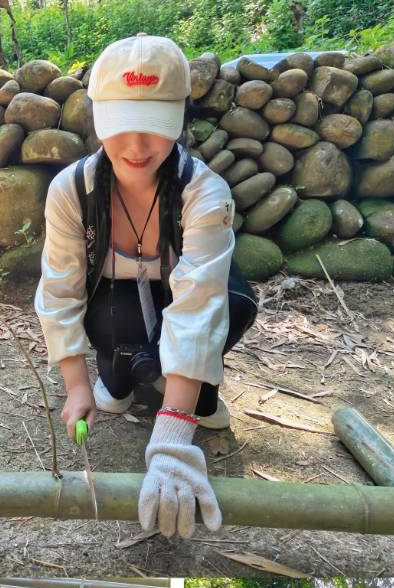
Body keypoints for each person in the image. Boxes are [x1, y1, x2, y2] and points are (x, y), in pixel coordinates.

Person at [35, 33, 258, 540]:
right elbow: (61, 289)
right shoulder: (71, 190)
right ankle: (115, 378)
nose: (136, 147)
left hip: (178, 296)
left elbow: (199, 306)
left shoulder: (204, 192)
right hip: (113, 300)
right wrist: (74, 386)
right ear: (96, 117)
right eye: (122, 126)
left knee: (237, 303)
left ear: (180, 115)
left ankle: (186, 391)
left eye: (154, 127)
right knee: (110, 324)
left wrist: (174, 435)